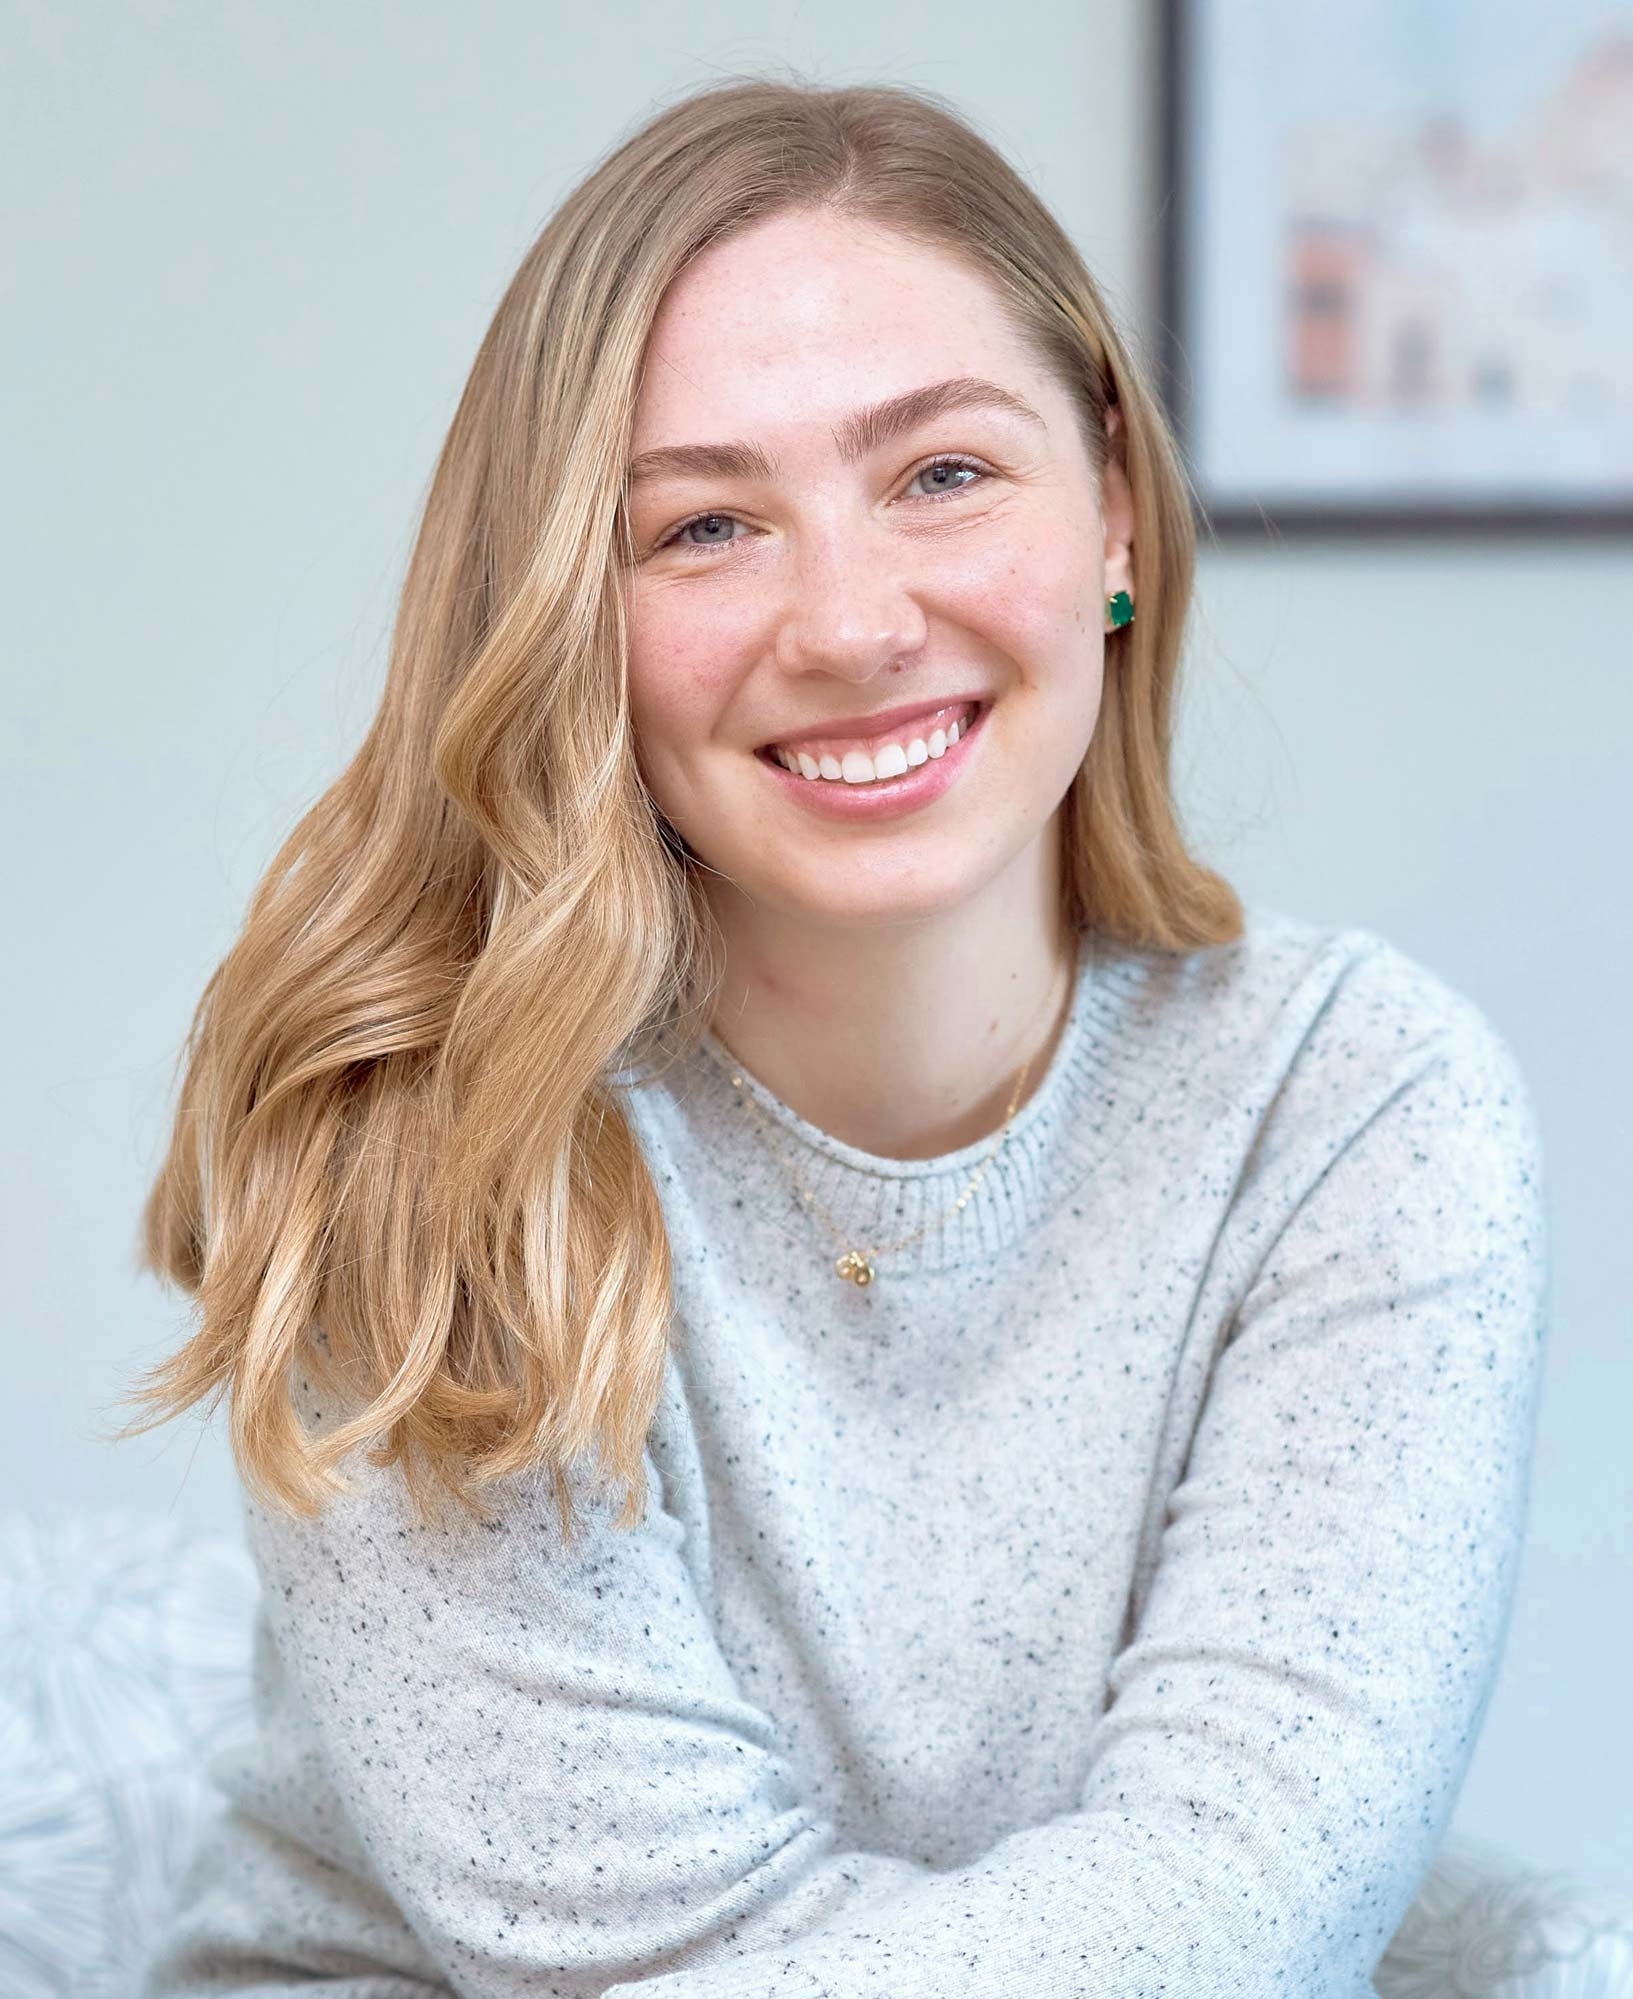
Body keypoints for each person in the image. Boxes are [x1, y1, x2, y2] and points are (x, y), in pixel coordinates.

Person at [123, 73, 1549, 1999]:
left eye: (943, 475)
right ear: (570, 620)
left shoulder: (1356, 1106)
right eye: (705, 527)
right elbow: (649, 1967)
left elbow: (1254, 1901)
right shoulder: (417, 1139)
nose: (851, 621)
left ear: (1112, 508)